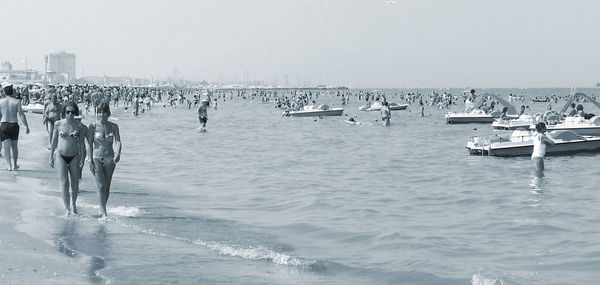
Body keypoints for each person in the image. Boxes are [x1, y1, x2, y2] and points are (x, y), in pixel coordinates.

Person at [49, 102, 86, 215]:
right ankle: (67, 208)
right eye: (68, 112)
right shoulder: (58, 124)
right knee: (65, 183)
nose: (70, 114)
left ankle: (74, 205)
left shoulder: (79, 125)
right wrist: (51, 157)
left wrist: (83, 159)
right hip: (60, 156)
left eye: (72, 112)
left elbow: (82, 145)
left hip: (74, 156)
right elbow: (54, 140)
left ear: (76, 113)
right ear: (64, 112)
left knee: (75, 183)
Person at [87, 103, 122, 218]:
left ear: (108, 114)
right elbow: (89, 144)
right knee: (100, 186)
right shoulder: (92, 126)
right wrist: (89, 160)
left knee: (107, 186)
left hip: (110, 159)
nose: (102, 115)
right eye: (100, 112)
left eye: (104, 113)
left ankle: (101, 209)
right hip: (96, 158)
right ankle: (104, 212)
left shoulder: (114, 126)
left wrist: (118, 153)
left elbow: (117, 142)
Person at [0, 84, 30, 171]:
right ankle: (15, 164)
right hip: (13, 125)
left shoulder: (0, 101)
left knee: (6, 147)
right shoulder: (17, 101)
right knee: (14, 146)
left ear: (4, 92)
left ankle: (9, 165)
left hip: (4, 124)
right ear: (12, 92)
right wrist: (26, 126)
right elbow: (21, 114)